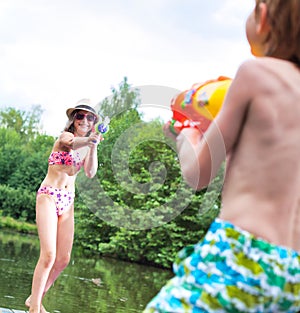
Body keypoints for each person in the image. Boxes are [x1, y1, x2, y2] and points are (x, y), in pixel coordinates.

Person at [144, 0, 300, 312]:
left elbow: (198, 174)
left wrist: (185, 135)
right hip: (293, 274)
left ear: (263, 14)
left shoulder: (255, 73)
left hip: (241, 252)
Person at [25, 99, 102, 313]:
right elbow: (71, 144)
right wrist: (87, 141)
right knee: (48, 255)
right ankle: (34, 310)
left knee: (63, 259)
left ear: (94, 121)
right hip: (49, 196)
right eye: (80, 116)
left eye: (89, 117)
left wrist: (93, 145)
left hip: (68, 202)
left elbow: (90, 172)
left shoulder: (88, 145)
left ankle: (34, 299)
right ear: (73, 119)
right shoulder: (65, 137)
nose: (84, 120)